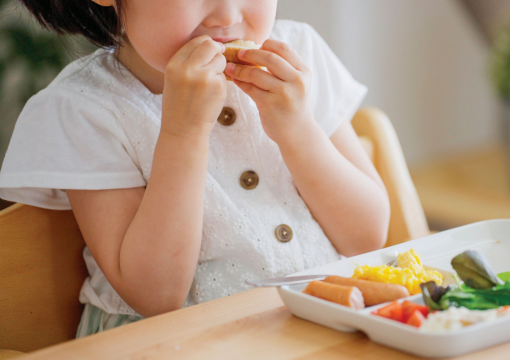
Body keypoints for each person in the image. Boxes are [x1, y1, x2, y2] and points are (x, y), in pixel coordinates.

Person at [0, 0, 390, 337]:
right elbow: (156, 296)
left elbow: (367, 236)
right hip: (173, 342)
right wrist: (182, 132)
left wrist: (299, 130)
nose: (227, 14)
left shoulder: (297, 55)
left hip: (324, 323)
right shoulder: (85, 108)